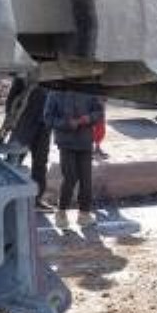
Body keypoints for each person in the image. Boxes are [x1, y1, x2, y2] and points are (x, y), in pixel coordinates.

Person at [43, 90, 105, 227]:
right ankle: (61, 213)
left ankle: (84, 214)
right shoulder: (55, 93)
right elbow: (48, 118)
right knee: (70, 177)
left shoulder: (88, 90)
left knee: (86, 179)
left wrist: (89, 118)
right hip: (66, 143)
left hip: (85, 142)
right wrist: (67, 123)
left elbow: (99, 112)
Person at [4, 79, 52, 209]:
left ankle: (37, 199)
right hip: (24, 124)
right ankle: (8, 198)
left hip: (44, 125)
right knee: (14, 161)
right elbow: (11, 100)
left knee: (40, 163)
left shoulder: (52, 76)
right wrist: (11, 119)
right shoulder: (25, 76)